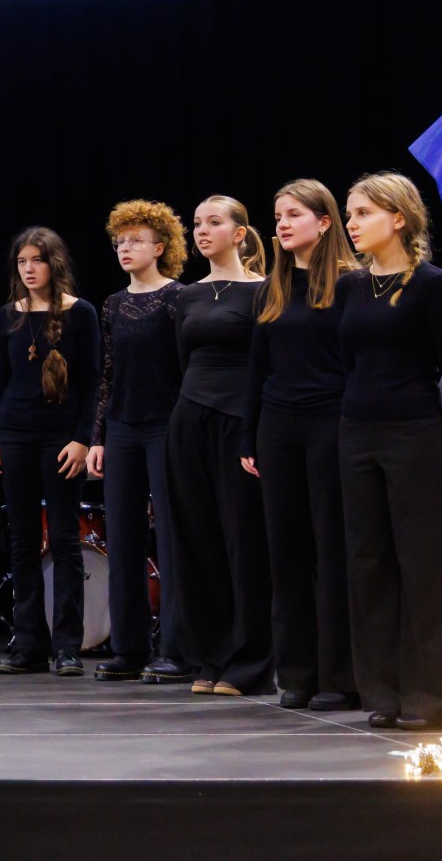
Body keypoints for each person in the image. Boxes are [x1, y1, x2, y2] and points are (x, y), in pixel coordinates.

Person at [338, 172, 442, 731]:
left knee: (424, 568)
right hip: (357, 435)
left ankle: (431, 698)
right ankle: (386, 692)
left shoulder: (432, 285)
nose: (351, 223)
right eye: (349, 213)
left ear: (399, 218)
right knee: (368, 564)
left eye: (363, 213)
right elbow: (348, 366)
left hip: (418, 436)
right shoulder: (351, 287)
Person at [239, 180, 358, 711]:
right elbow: (256, 369)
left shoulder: (352, 284)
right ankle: (298, 673)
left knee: (332, 548)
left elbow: (357, 364)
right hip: (277, 426)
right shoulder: (272, 288)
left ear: (325, 221)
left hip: (331, 421)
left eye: (293, 215)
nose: (282, 224)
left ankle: (340, 676)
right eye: (278, 216)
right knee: (286, 551)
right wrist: (249, 434)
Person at [168, 196, 273, 695]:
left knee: (243, 540)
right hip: (190, 421)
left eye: (214, 222)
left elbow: (266, 366)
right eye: (196, 224)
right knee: (198, 541)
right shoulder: (188, 296)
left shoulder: (263, 290)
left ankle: (250, 661)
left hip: (238, 422)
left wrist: (255, 431)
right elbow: (181, 362)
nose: (202, 231)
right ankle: (208, 658)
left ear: (240, 233)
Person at [0, 228, 100, 677]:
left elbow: (92, 381)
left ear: (54, 263)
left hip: (60, 437)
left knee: (65, 539)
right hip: (15, 433)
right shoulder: (8, 315)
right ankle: (29, 643)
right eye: (22, 262)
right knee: (23, 541)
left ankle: (67, 646)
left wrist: (83, 438)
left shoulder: (79, 312)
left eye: (37, 260)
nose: (29, 269)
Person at [86, 201, 187, 683]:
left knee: (170, 536)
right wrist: (98, 437)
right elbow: (107, 374)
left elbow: (185, 368)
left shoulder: (177, 298)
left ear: (160, 247)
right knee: (123, 537)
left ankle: (177, 649)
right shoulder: (112, 305)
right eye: (119, 241)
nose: (125, 248)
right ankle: (128, 649)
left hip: (165, 425)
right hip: (123, 427)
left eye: (135, 241)